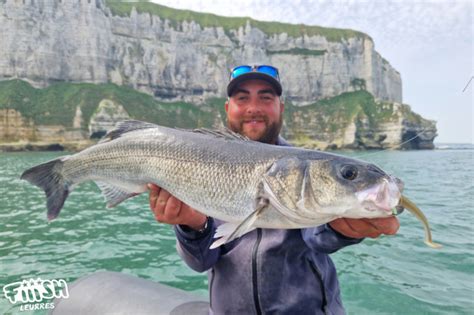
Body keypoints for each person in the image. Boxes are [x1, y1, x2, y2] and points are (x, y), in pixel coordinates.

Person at [148, 64, 399, 314]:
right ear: (228, 108)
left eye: (266, 97)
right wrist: (193, 227)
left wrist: (341, 228)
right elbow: (200, 262)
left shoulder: (303, 167)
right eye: (242, 98)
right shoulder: (198, 164)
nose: (253, 108)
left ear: (281, 107)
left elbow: (318, 238)